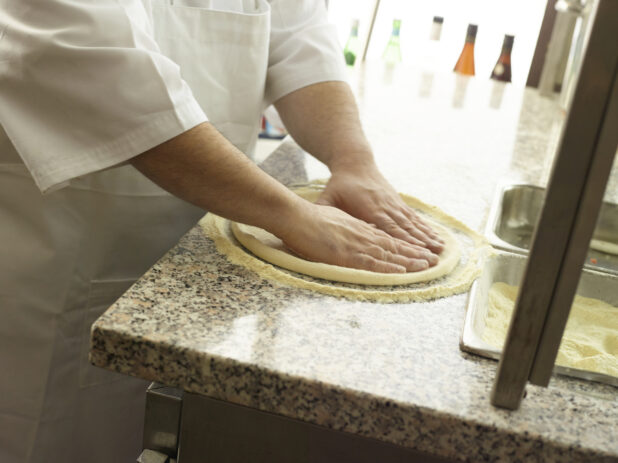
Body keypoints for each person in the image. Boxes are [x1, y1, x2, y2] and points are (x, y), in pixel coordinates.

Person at [0, 0, 443, 461]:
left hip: (208, 253)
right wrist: (291, 214)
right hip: (61, 258)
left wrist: (353, 160)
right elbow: (92, 62)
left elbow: (300, 35)